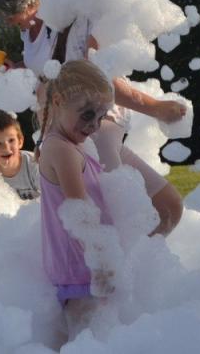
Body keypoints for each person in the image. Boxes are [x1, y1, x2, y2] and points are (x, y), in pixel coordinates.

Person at [0, 0, 186, 235]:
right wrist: (18, 69)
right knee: (138, 213)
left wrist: (156, 108)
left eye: (10, 16)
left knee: (166, 208)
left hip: (96, 126)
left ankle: (134, 256)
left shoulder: (73, 23)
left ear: (30, 5)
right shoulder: (28, 31)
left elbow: (101, 80)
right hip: (69, 133)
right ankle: (122, 256)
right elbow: (44, 71)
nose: (8, 23)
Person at [36, 59, 119, 340]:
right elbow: (80, 215)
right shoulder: (62, 151)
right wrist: (102, 265)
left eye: (100, 117)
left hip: (76, 269)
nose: (94, 125)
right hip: (80, 271)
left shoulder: (67, 144)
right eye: (87, 115)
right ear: (58, 101)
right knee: (84, 343)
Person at [0, 110, 41, 200]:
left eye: (11, 140)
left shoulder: (34, 164)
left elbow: (51, 195)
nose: (6, 147)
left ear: (20, 142)